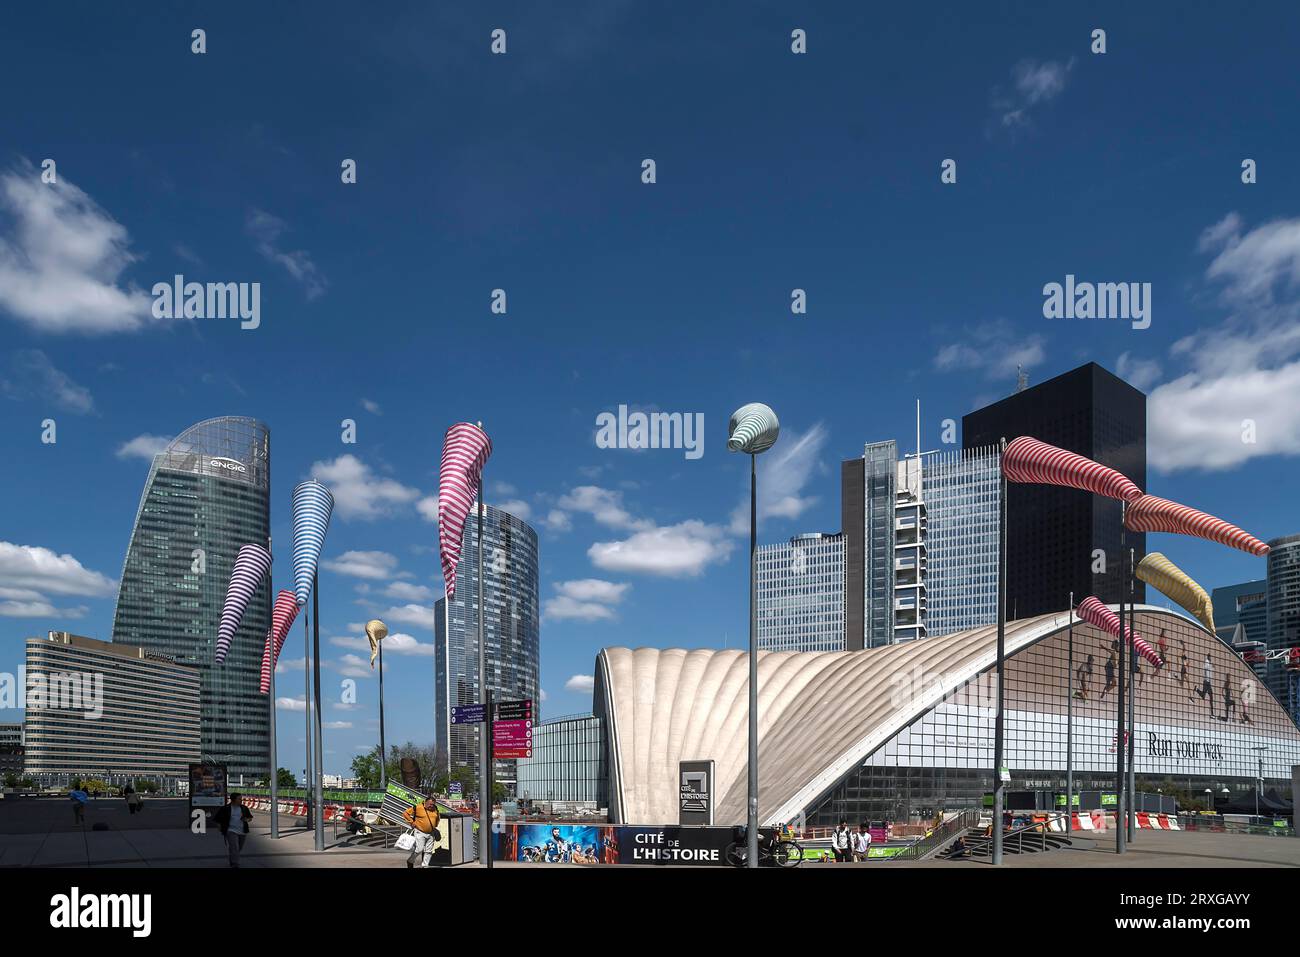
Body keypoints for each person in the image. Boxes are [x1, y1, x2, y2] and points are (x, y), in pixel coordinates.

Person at [214, 793, 254, 868]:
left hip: (242, 831)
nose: (241, 800)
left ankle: (232, 859)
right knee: (234, 847)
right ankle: (235, 863)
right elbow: (217, 819)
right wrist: (220, 828)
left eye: (241, 799)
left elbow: (250, 818)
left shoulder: (244, 808)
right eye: (239, 799)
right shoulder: (225, 808)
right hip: (231, 830)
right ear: (233, 800)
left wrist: (247, 819)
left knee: (239, 848)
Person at [401, 797, 440, 869]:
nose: (432, 806)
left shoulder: (435, 809)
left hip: (431, 833)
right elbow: (405, 813)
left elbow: (437, 818)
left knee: (429, 851)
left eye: (433, 804)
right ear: (426, 802)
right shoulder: (418, 807)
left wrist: (435, 825)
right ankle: (410, 861)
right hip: (420, 831)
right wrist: (411, 822)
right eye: (430, 804)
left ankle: (425, 866)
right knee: (419, 849)